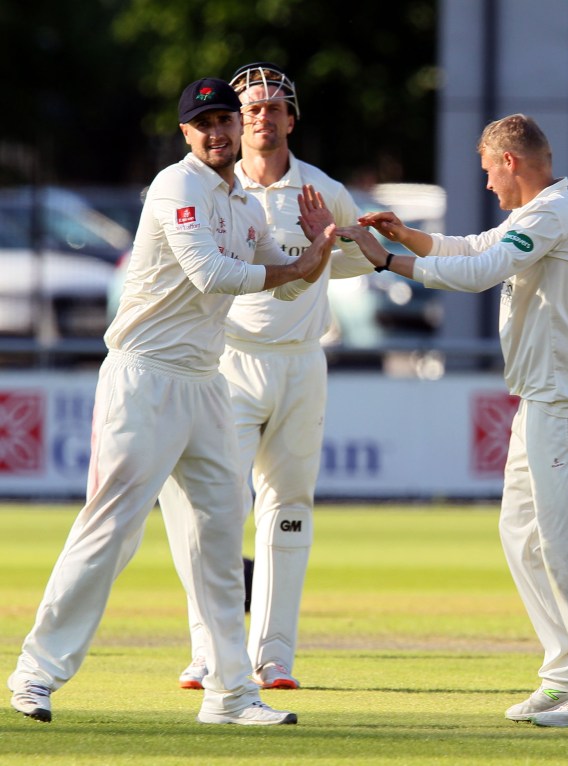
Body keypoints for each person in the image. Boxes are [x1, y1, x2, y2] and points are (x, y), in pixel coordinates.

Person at [7, 77, 336, 726]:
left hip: (207, 381)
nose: (217, 132)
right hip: (145, 377)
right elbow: (213, 274)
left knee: (219, 535)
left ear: (238, 127)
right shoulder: (175, 186)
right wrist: (297, 267)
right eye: (203, 124)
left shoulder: (244, 204)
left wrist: (318, 249)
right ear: (186, 133)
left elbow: (289, 287)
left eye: (224, 120)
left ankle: (230, 694)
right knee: (112, 530)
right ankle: (35, 674)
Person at [336, 114, 568, 728]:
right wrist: (410, 237)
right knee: (523, 538)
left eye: (488, 172)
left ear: (510, 162)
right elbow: (476, 248)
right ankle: (565, 672)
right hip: (543, 401)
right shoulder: (536, 214)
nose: (487, 185)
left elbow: (479, 273)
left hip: (567, 401)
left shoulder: (552, 213)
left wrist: (388, 262)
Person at [169, 62, 373, 693]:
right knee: (216, 510)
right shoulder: (215, 190)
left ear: (291, 118)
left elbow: (356, 256)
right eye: (251, 108)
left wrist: (318, 255)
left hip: (302, 363)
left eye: (274, 107)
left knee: (288, 510)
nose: (263, 117)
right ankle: (208, 651)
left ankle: (274, 656)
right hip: (229, 363)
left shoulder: (322, 189)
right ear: (238, 121)